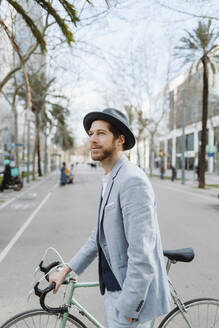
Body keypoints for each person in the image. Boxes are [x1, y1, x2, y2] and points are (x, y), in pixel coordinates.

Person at [50, 108, 171, 328]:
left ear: (120, 140)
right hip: (114, 292)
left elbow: (141, 254)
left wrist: (128, 308)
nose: (92, 139)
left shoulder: (132, 181)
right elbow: (97, 237)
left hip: (128, 300)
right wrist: (65, 270)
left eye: (101, 133)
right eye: (91, 134)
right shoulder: (109, 178)